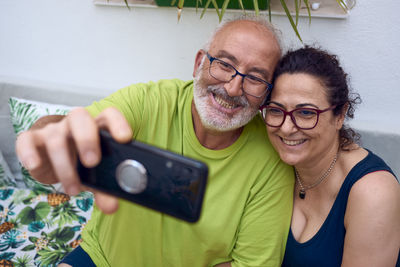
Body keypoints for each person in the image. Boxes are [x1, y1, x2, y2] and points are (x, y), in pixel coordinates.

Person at [16, 17, 295, 266]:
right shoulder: (150, 101)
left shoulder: (271, 160)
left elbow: (250, 263)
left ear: (267, 96)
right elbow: (66, 139)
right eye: (224, 64)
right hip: (100, 258)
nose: (234, 88)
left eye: (255, 78)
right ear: (199, 63)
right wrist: (47, 141)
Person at [259, 46, 400, 266]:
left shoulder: (373, 192)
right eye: (276, 110)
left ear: (340, 115)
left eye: (306, 113)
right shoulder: (274, 162)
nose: (286, 128)